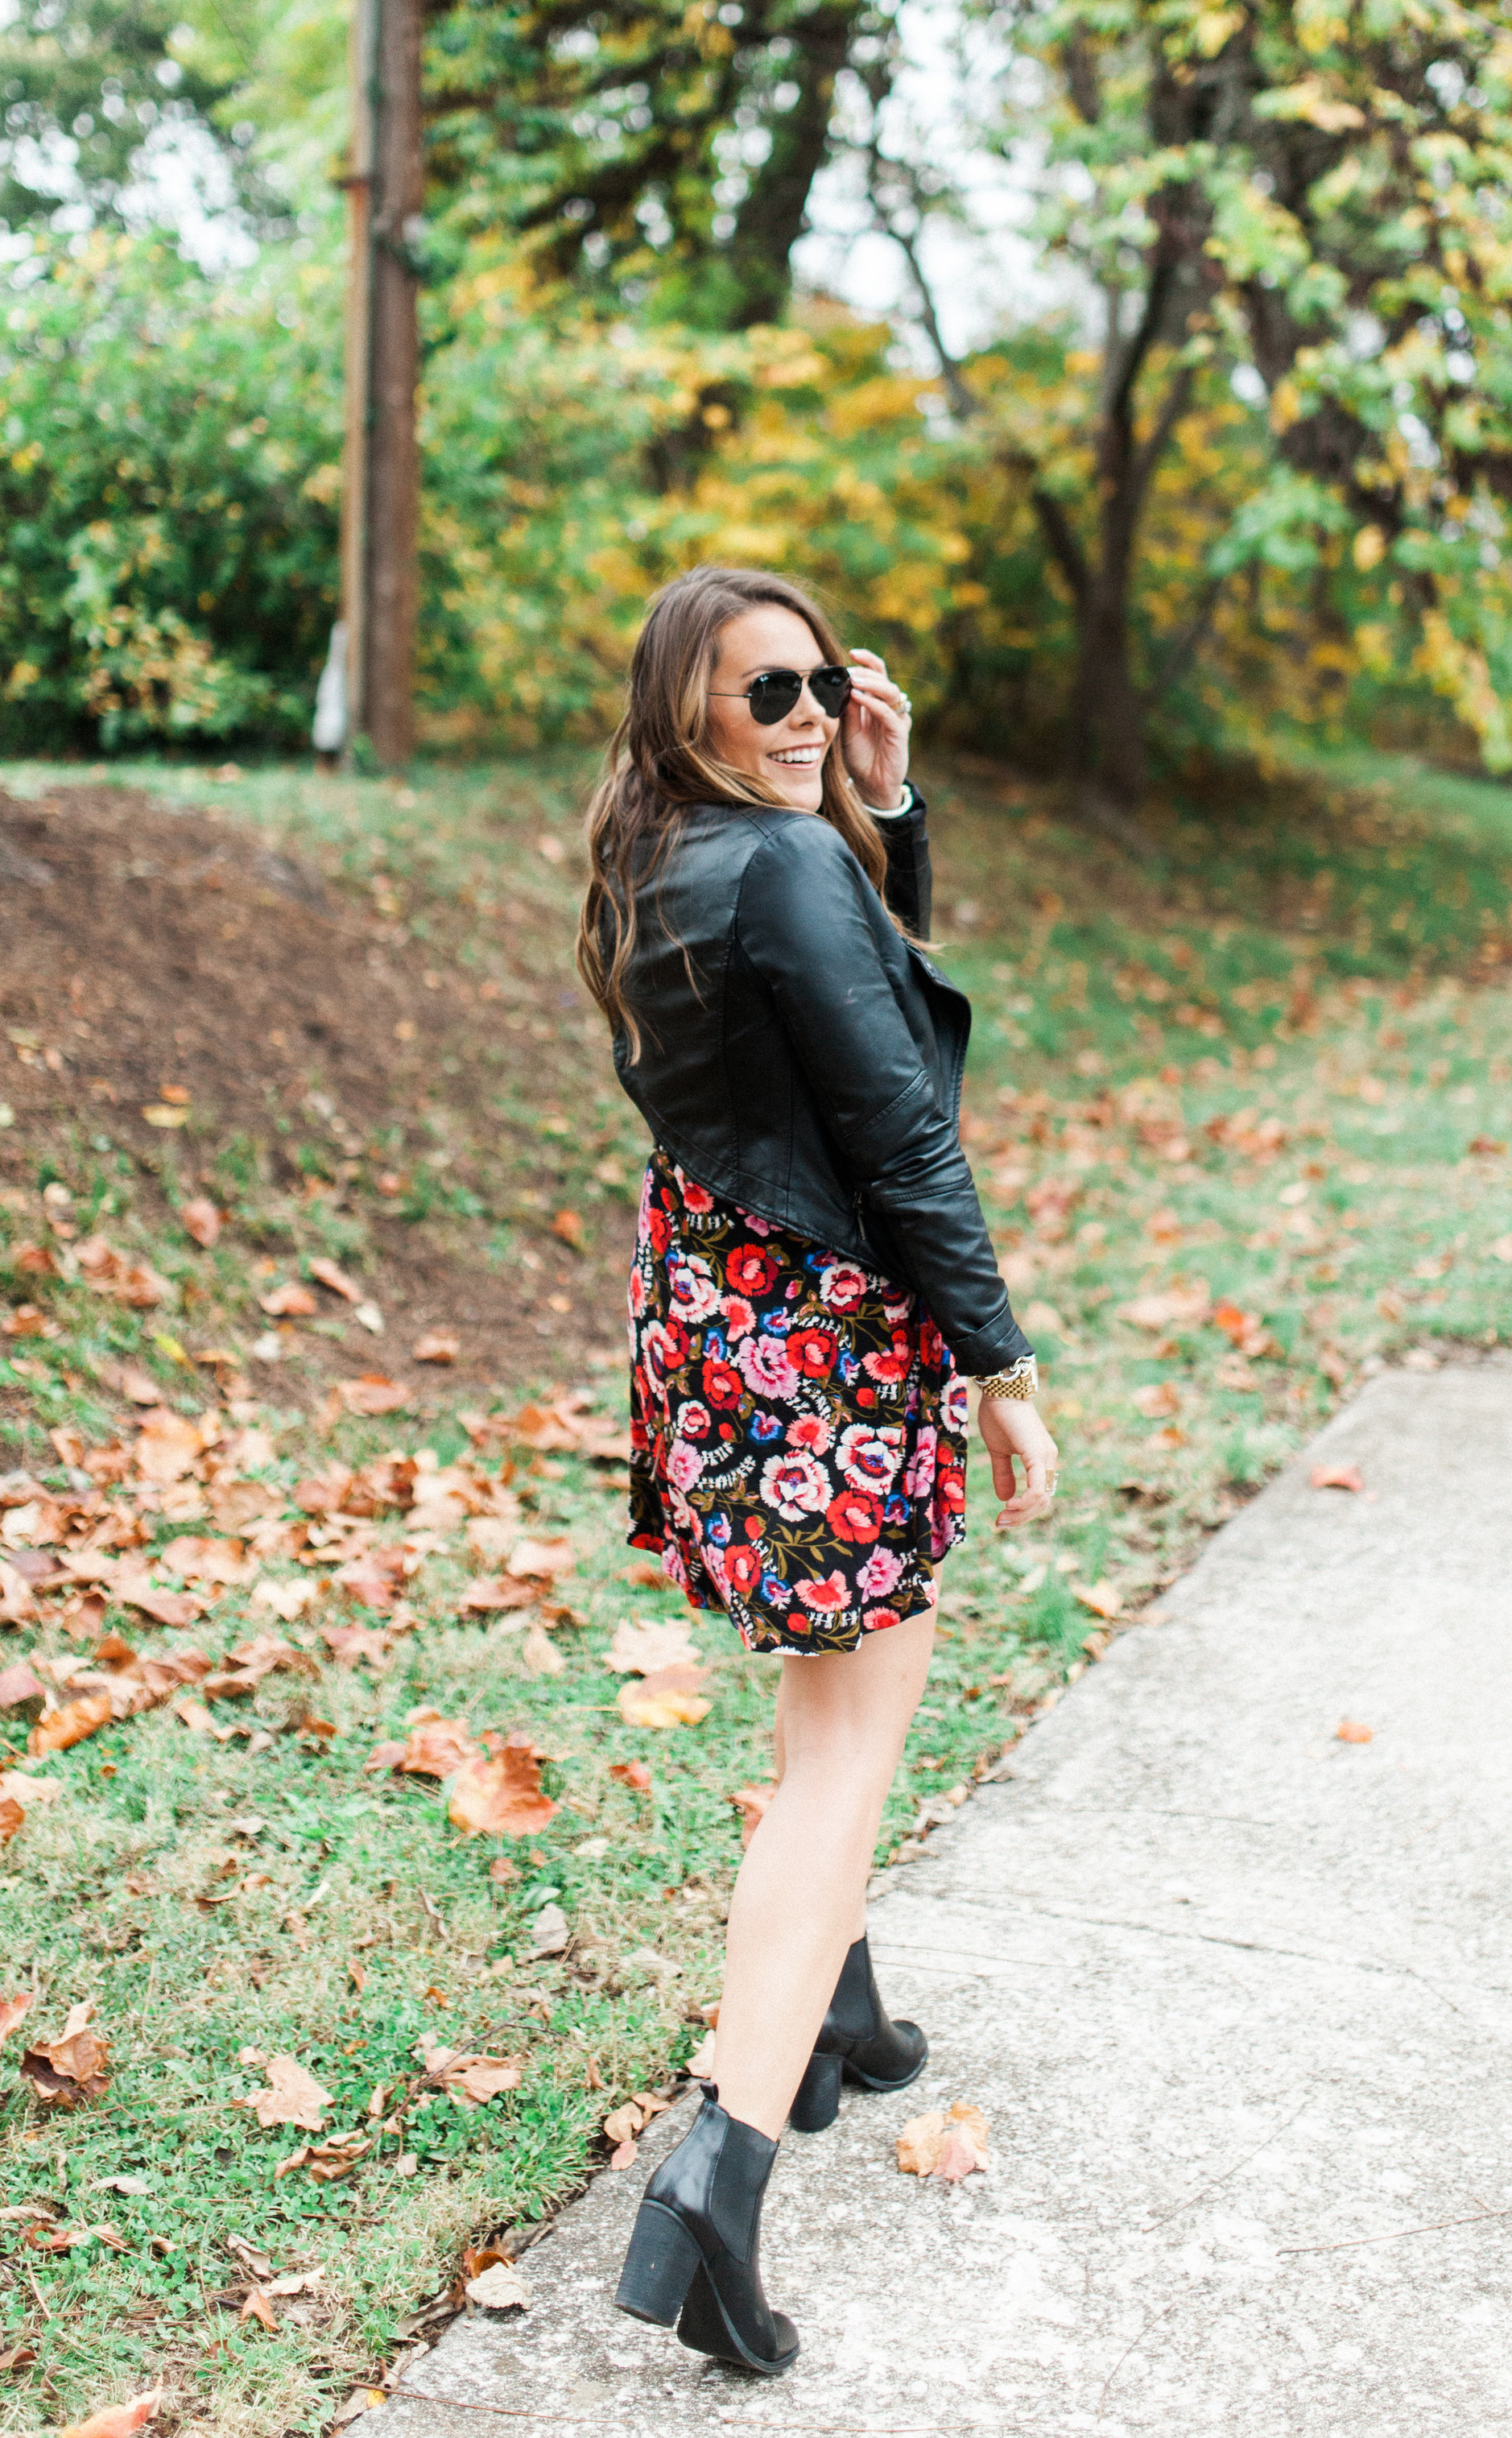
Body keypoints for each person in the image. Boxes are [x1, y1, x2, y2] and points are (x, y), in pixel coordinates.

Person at [576, 564, 1058, 2377]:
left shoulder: (667, 854)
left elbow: (862, 1000)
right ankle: (720, 2161)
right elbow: (899, 1123)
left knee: (820, 1705)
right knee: (850, 1746)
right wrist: (999, 1361)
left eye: (813, 681)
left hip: (727, 1320)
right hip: (828, 1327)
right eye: (760, 693)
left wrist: (884, 796)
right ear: (684, 710)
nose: (796, 718)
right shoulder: (778, 860)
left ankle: (834, 2014)